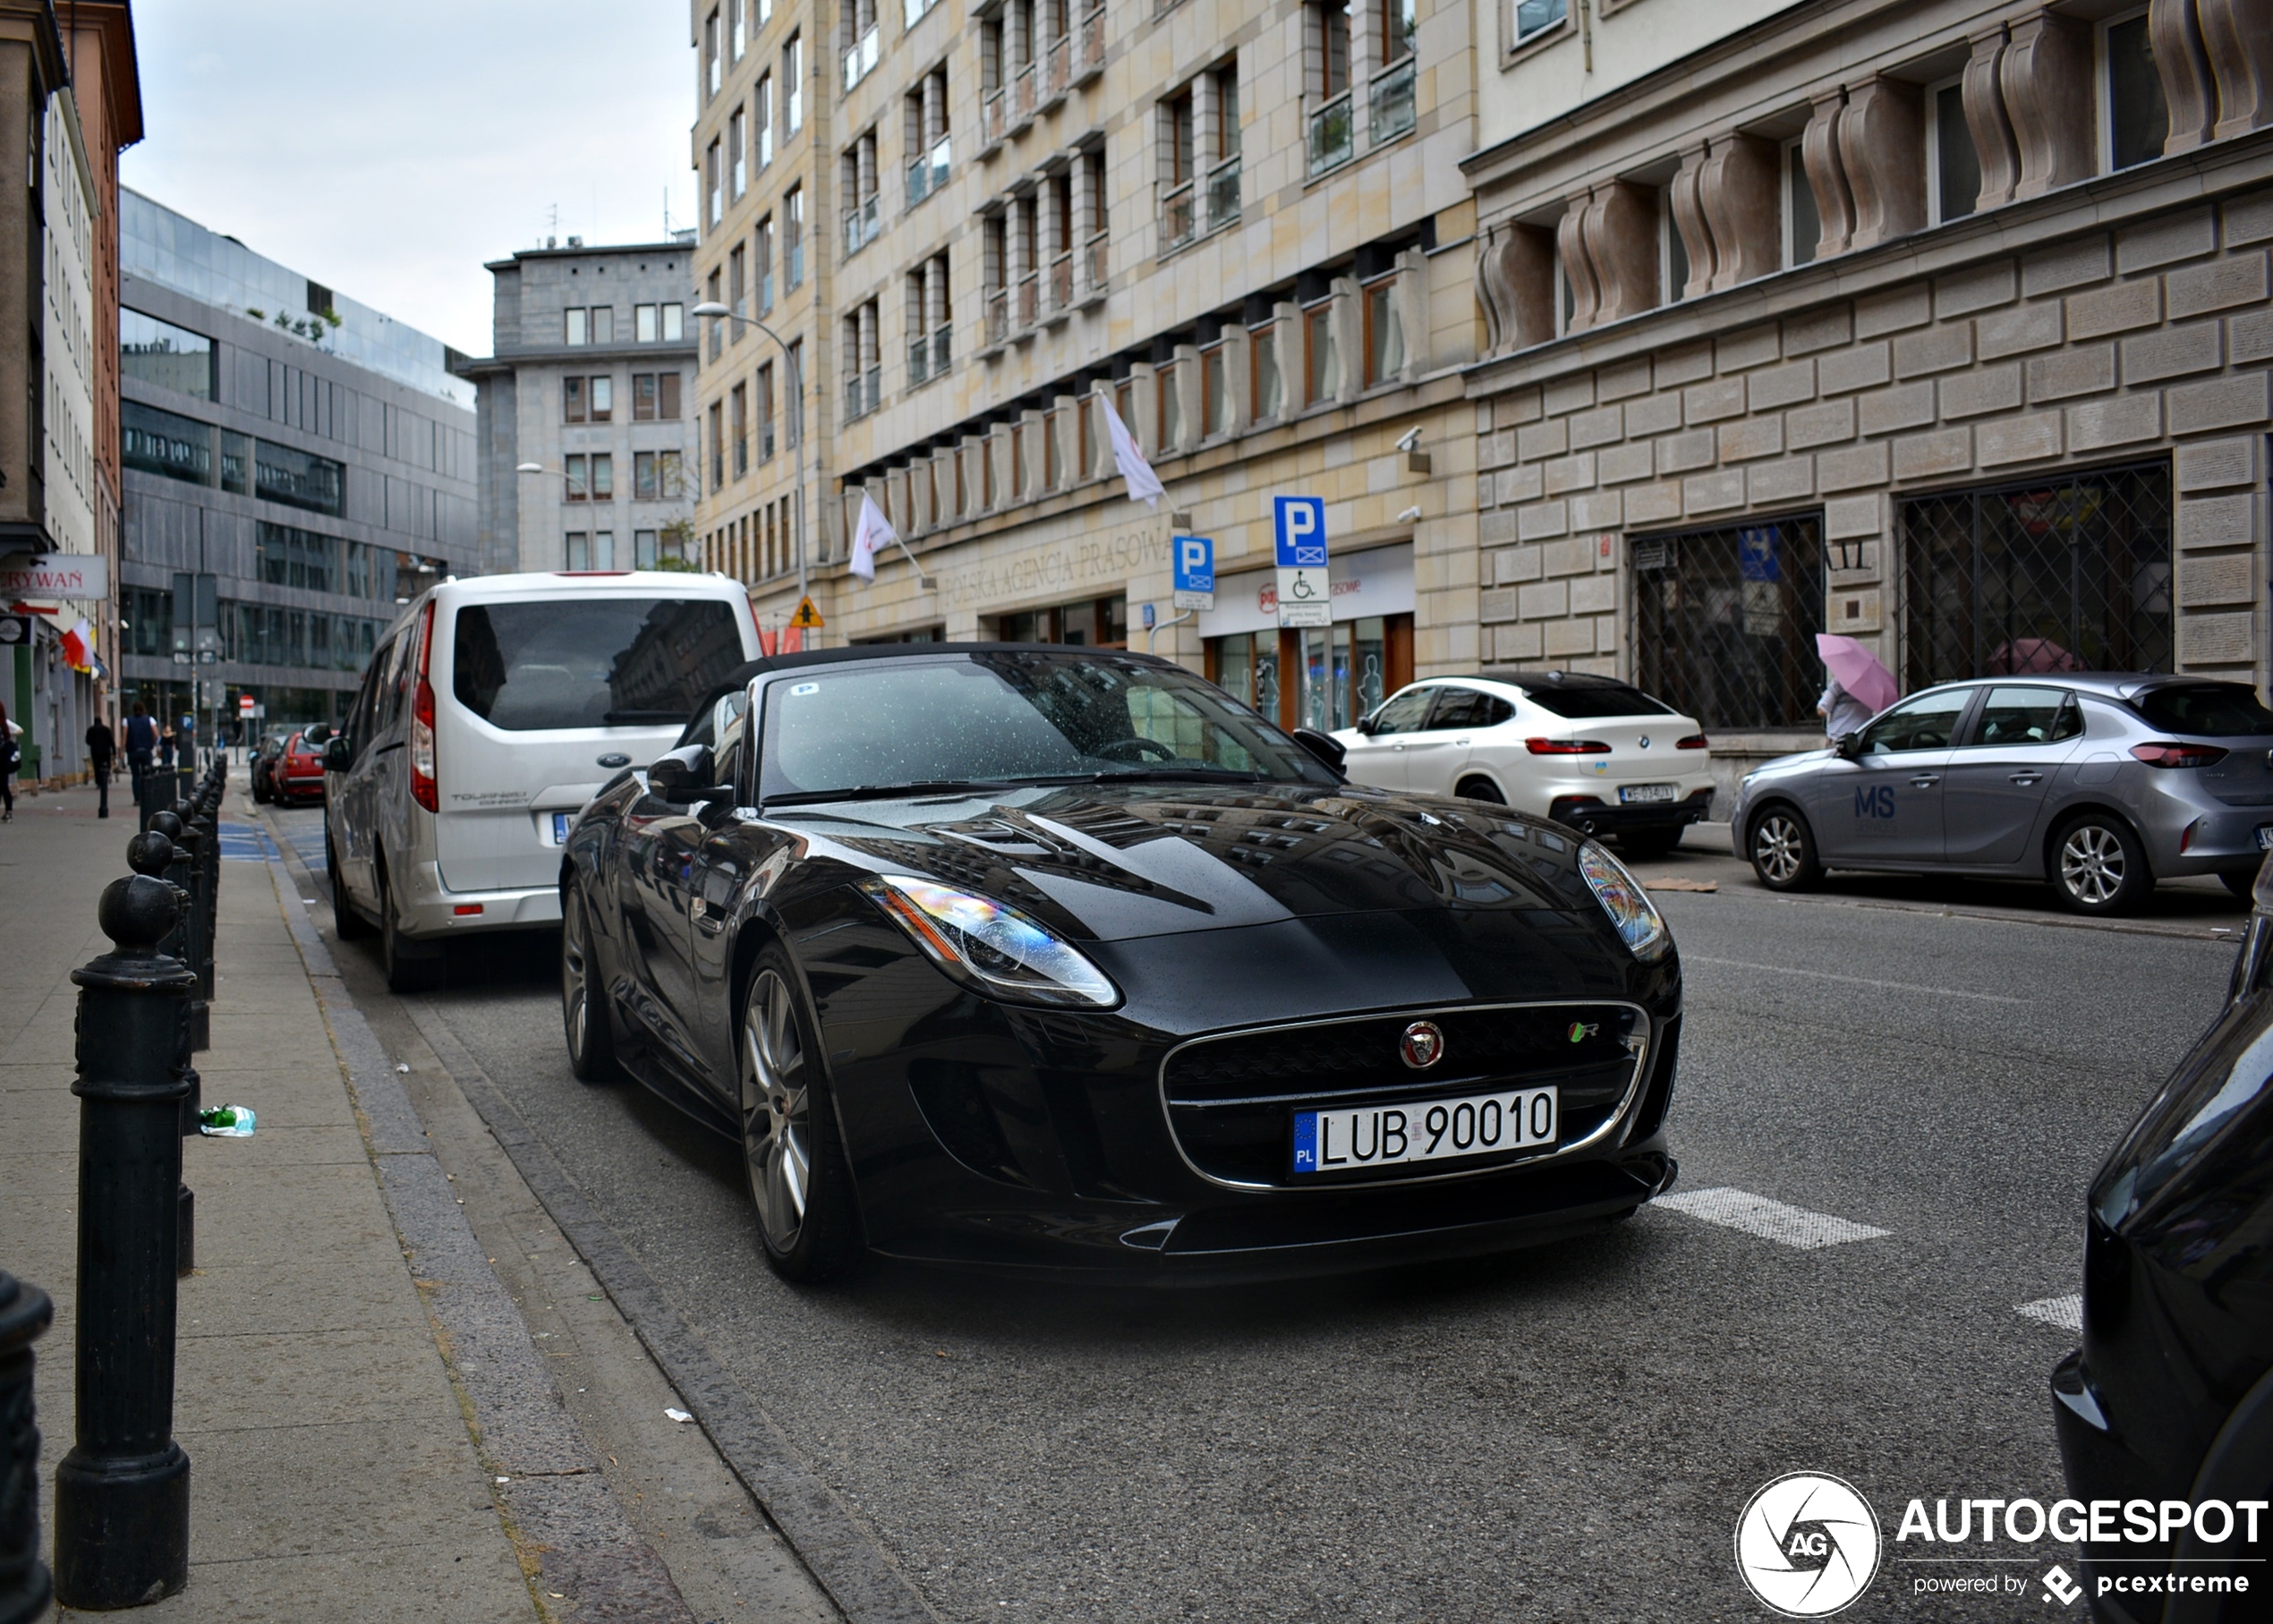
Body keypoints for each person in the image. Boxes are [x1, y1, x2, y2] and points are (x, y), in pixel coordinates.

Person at [1818, 676, 1875, 743]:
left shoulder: (1838, 683)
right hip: (1864, 737)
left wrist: (1824, 695)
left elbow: (1822, 711)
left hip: (1840, 738)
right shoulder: (1871, 684)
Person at [85, 711, 115, 820]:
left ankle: (99, 782)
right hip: (105, 752)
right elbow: (111, 741)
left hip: (95, 751)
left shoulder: (91, 730)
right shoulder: (106, 729)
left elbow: (87, 741)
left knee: (97, 768)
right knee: (105, 768)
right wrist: (114, 752)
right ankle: (105, 781)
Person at [125, 700, 157, 795]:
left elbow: (124, 736)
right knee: (147, 774)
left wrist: (122, 750)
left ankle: (137, 797)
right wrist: (152, 743)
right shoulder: (149, 719)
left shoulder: (127, 720)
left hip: (133, 750)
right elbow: (156, 734)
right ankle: (147, 795)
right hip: (146, 750)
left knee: (135, 775)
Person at [0, 701, 18, 822]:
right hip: (2, 760)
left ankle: (9, 811)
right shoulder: (4, 725)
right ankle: (9, 811)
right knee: (3, 785)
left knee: (2, 786)